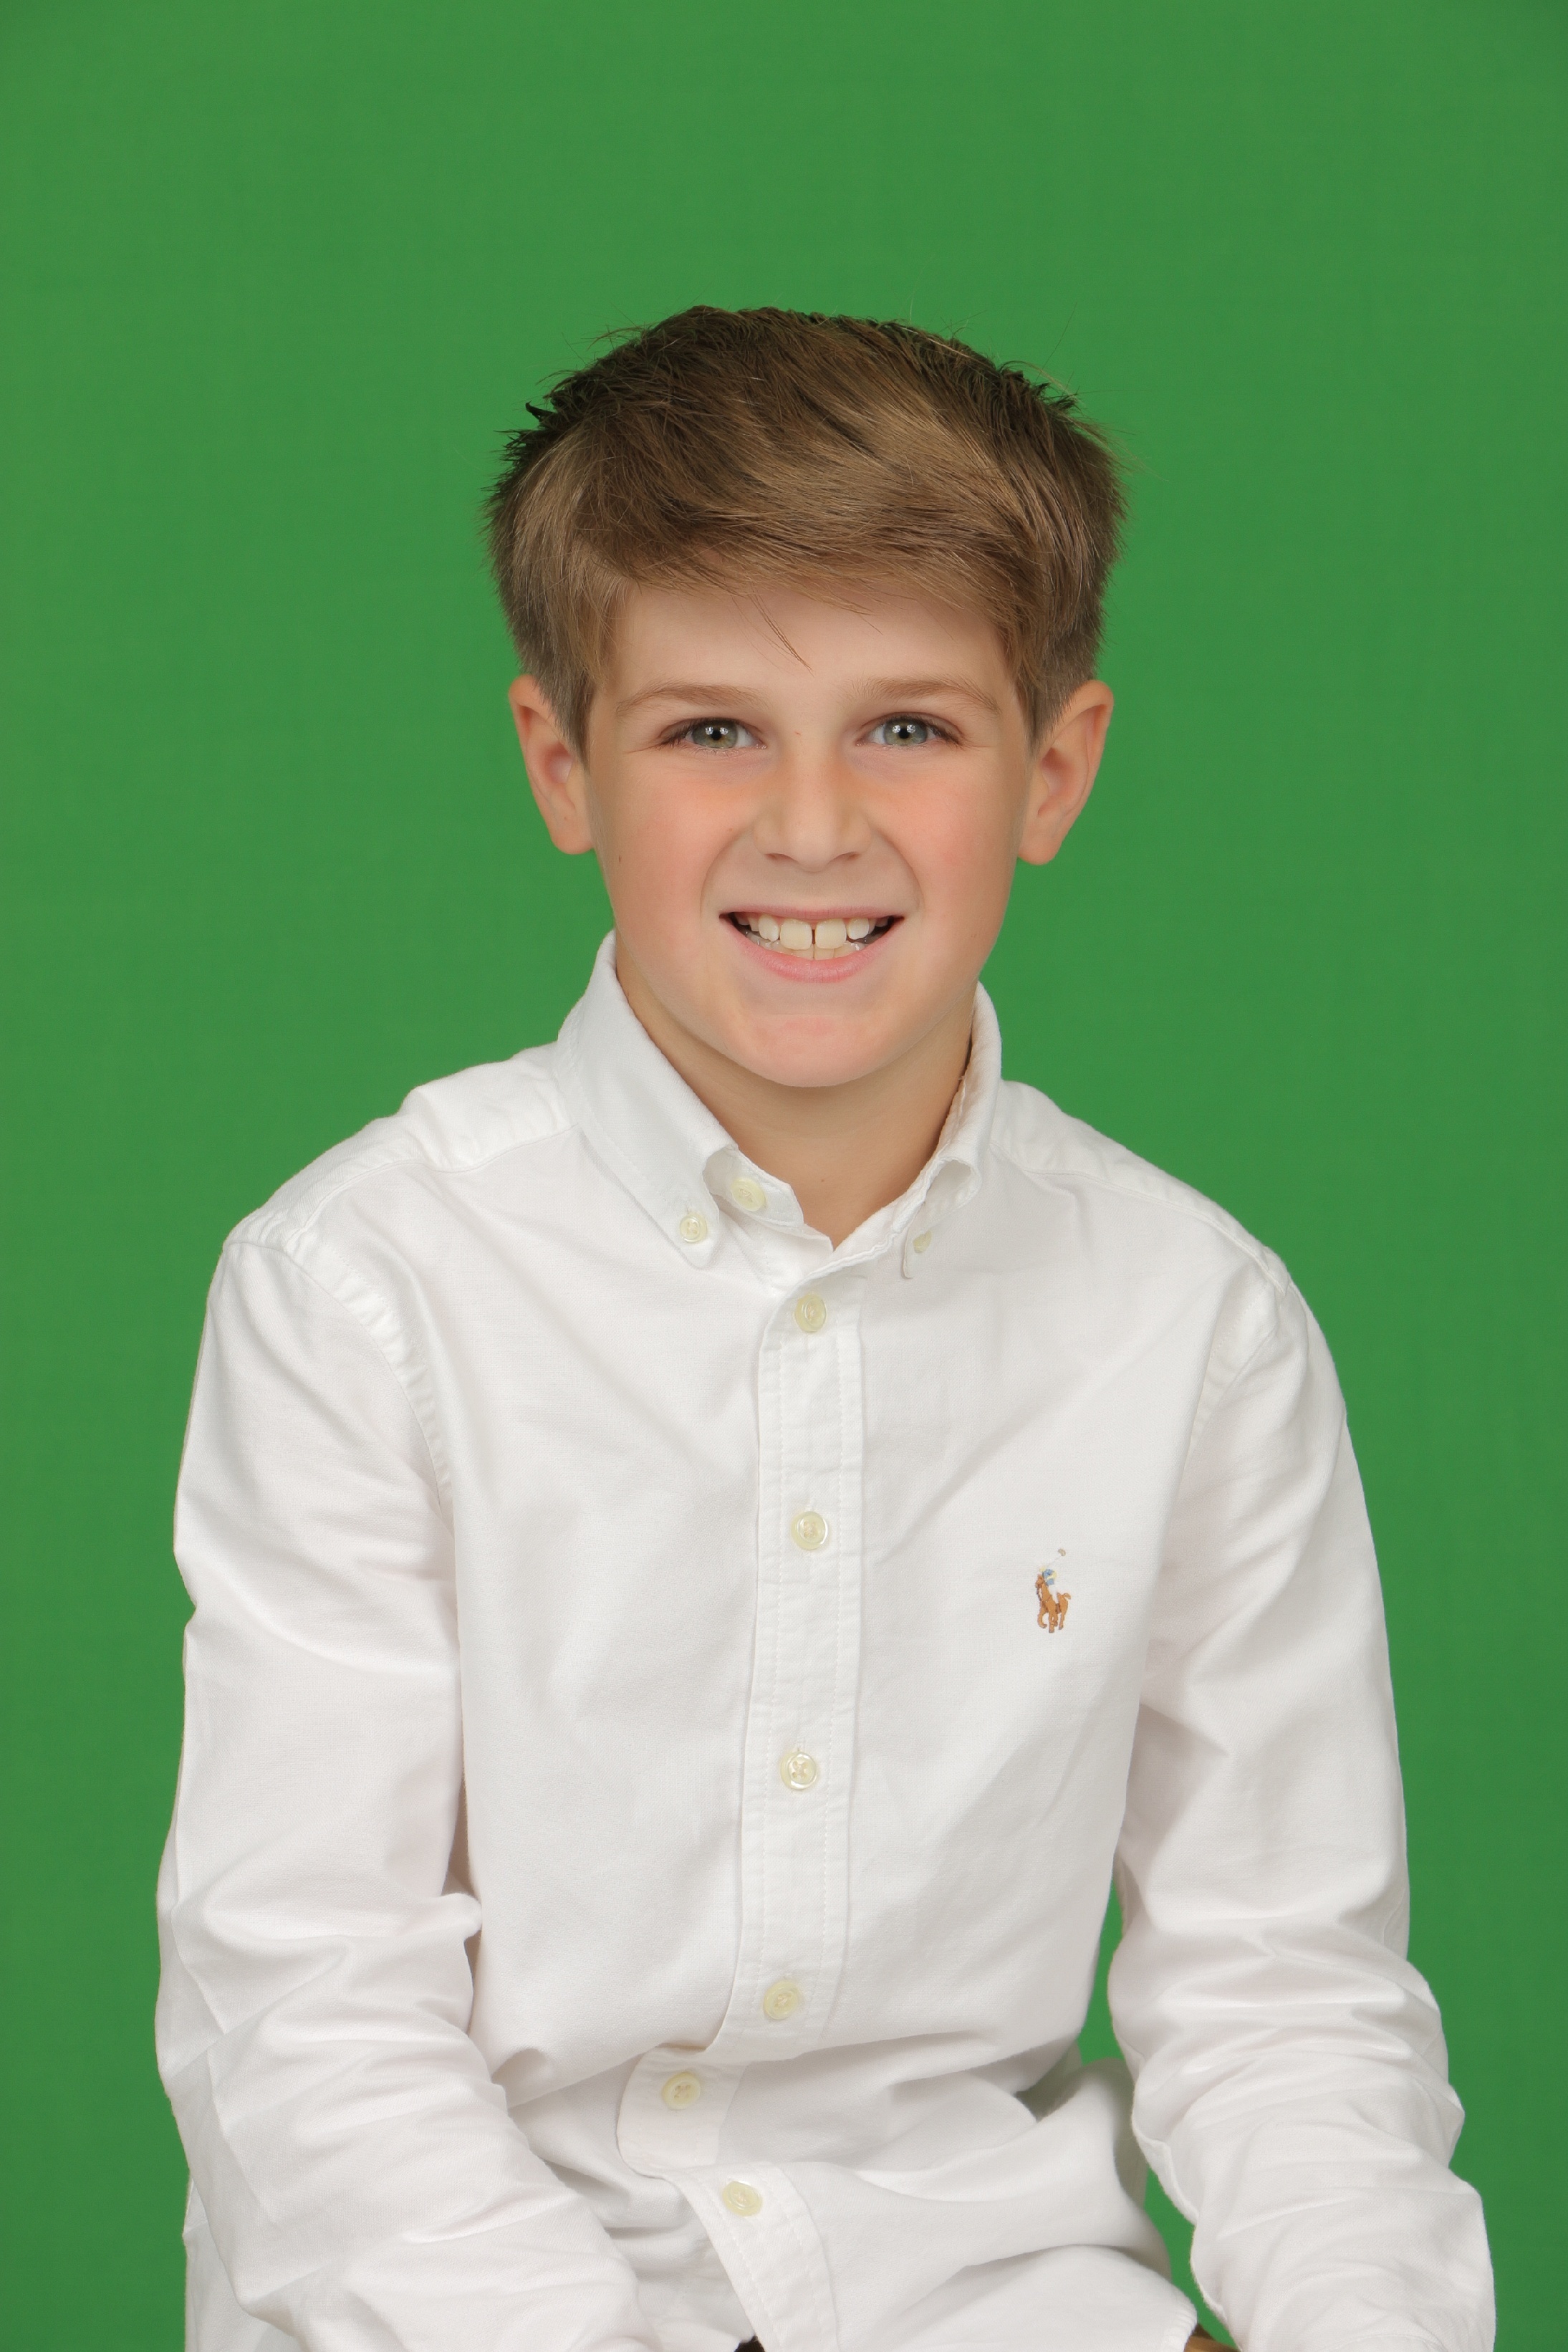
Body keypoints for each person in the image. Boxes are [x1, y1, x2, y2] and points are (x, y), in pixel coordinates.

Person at [155, 307, 1493, 2352]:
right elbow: (308, 2004)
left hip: (992, 2296)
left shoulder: (1193, 1320)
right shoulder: (366, 1285)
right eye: (711, 731)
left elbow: (1280, 1989)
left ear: (1055, 768)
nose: (810, 824)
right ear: (561, 765)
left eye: (908, 729)